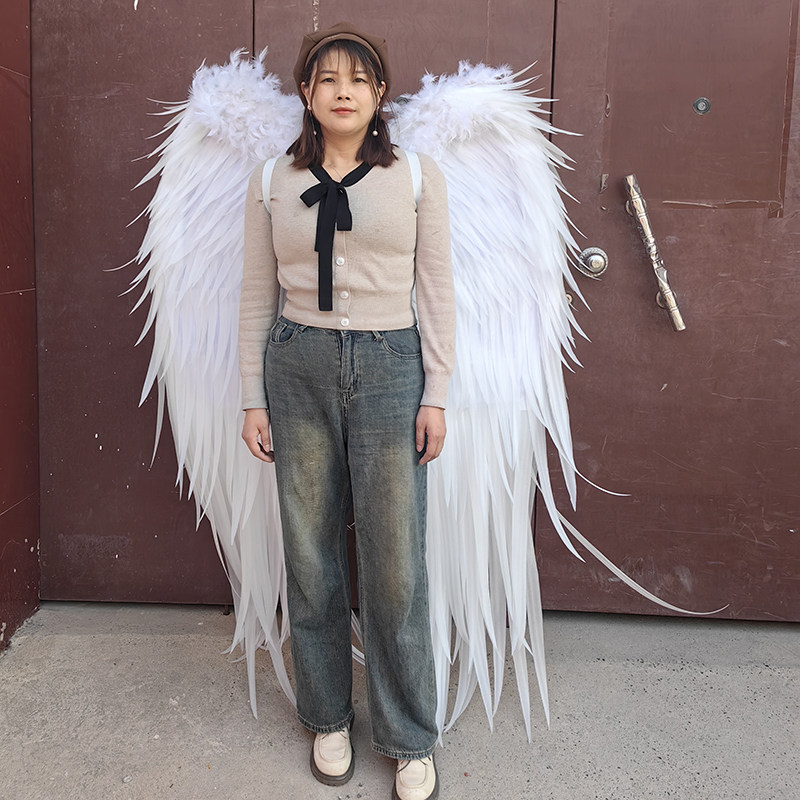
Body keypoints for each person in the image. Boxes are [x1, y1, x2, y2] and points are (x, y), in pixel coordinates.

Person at [237, 21, 455, 800]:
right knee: (310, 552)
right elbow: (256, 294)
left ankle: (407, 735)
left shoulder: (418, 177)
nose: (342, 92)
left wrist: (436, 392)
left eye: (358, 80)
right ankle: (328, 716)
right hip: (297, 365)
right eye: (327, 79)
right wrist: (252, 397)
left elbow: (437, 292)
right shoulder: (273, 179)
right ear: (305, 93)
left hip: (392, 366)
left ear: (380, 93)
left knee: (396, 563)